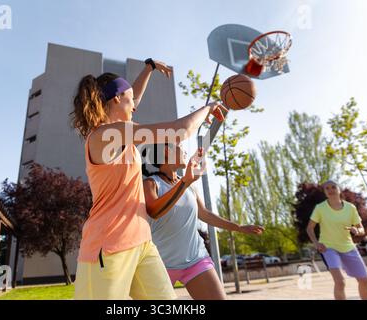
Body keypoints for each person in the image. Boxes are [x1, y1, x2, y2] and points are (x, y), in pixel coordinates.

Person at [71, 58, 227, 300]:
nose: (135, 106)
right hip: (109, 245)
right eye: (130, 100)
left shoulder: (121, 133)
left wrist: (149, 68)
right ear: (116, 99)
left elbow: (134, 97)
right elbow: (180, 131)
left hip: (141, 243)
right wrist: (208, 108)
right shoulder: (106, 134)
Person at [142, 143, 264, 300]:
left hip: (195, 259)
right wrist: (185, 182)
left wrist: (238, 227)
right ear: (167, 151)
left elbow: (205, 214)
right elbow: (154, 211)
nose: (185, 151)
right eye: (179, 147)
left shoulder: (189, 186)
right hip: (161, 264)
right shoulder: (151, 184)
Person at [306, 180, 367, 300]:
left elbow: (361, 229)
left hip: (348, 247)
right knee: (340, 282)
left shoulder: (350, 208)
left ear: (339, 189)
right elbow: (309, 228)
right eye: (327, 188)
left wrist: (357, 231)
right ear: (325, 192)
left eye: (333, 187)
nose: (330, 190)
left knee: (364, 280)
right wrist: (316, 243)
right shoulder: (320, 208)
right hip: (328, 248)